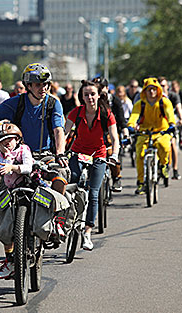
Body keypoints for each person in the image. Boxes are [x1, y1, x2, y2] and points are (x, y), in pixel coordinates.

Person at [0, 63, 69, 194]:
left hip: (45, 156)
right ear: (28, 86)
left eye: (46, 84)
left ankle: (57, 213)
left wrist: (60, 154)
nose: (43, 88)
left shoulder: (53, 103)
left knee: (61, 175)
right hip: (17, 156)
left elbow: (58, 130)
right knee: (2, 197)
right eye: (38, 85)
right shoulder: (17, 102)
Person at [64, 80, 120, 250]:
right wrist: (59, 153)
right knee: (72, 183)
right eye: (86, 95)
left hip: (98, 154)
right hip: (78, 152)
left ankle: (87, 232)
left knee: (94, 193)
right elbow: (64, 133)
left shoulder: (106, 114)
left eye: (92, 94)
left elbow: (115, 138)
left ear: (98, 95)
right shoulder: (76, 113)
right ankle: (67, 218)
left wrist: (115, 155)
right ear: (81, 97)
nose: (90, 97)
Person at [0, 122, 34, 279]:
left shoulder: (24, 150)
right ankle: (9, 260)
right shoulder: (2, 155)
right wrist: (5, 158)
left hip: (27, 188)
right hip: (9, 192)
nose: (7, 143)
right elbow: (2, 165)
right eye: (2, 141)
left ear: (18, 139)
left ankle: (33, 244)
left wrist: (14, 168)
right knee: (3, 225)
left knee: (35, 213)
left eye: (10, 139)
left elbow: (28, 167)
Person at [127, 77, 176, 195]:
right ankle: (140, 183)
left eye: (154, 89)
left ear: (158, 90)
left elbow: (169, 113)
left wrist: (172, 124)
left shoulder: (164, 102)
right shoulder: (140, 104)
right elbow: (134, 115)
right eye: (149, 90)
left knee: (164, 147)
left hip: (162, 131)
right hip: (145, 132)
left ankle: (164, 165)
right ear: (145, 91)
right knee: (139, 154)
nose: (152, 92)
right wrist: (131, 125)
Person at [159, 77, 182, 180]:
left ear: (167, 87)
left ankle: (175, 169)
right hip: (157, 124)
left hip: (170, 123)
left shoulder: (173, 96)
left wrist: (181, 118)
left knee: (173, 144)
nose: (161, 88)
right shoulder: (153, 97)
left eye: (163, 86)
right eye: (159, 85)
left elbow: (179, 108)